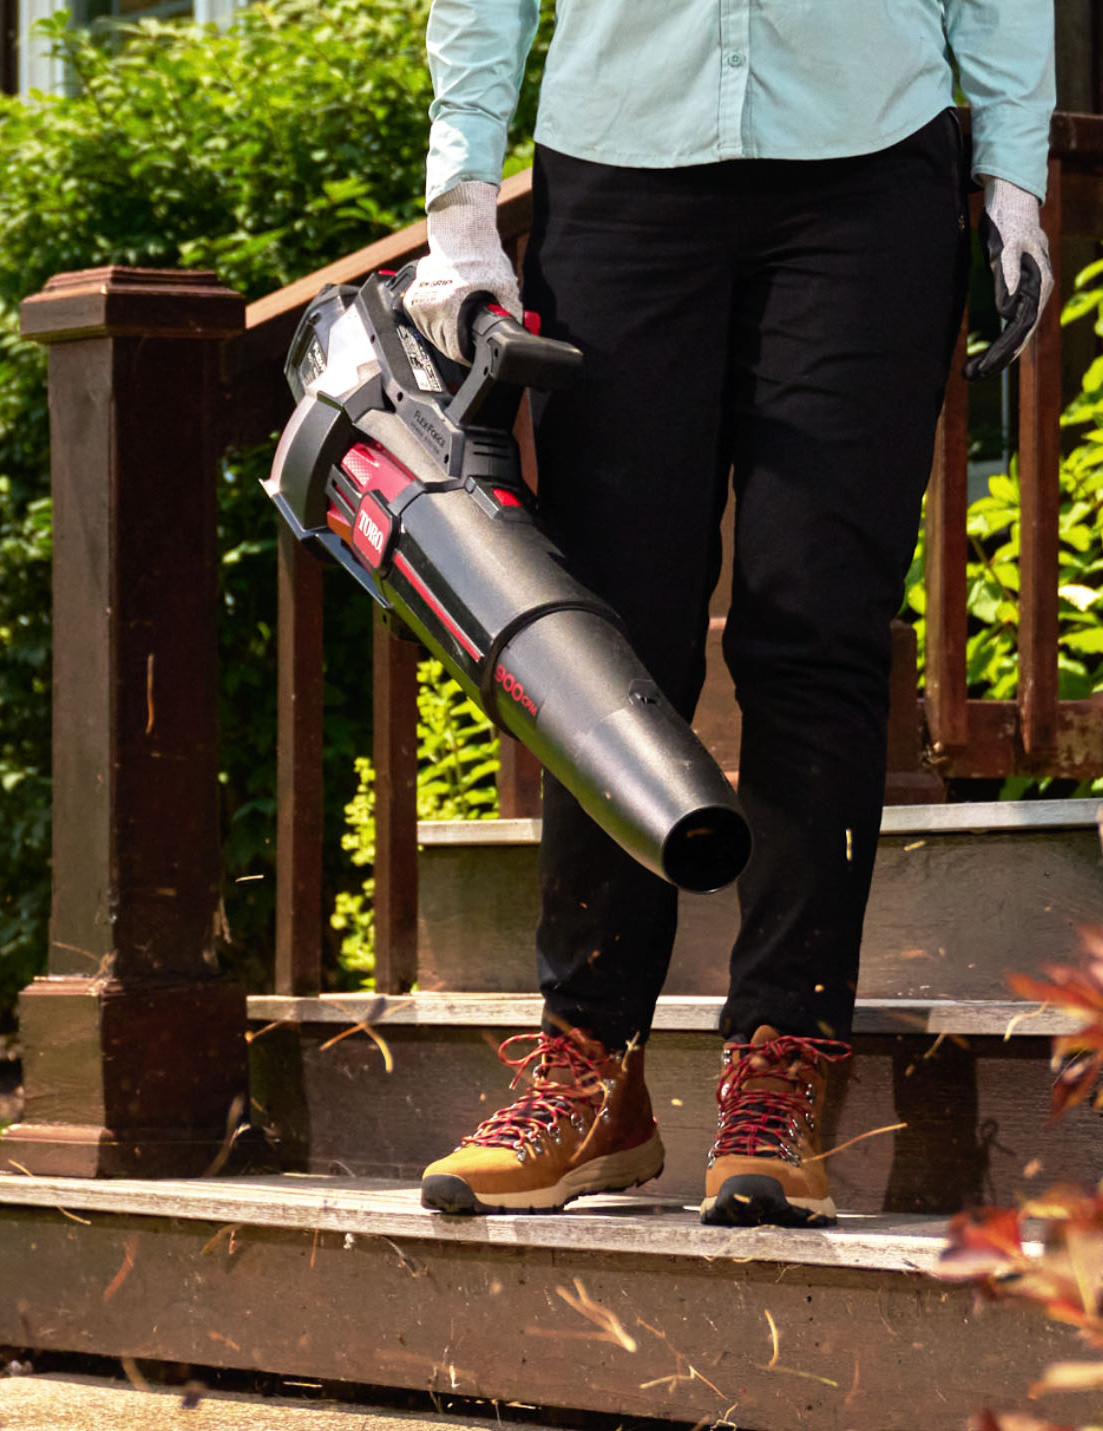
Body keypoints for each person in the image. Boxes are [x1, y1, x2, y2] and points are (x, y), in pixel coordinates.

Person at [405, 0, 1055, 1227]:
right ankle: (590, 1075)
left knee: (817, 623)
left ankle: (783, 1066)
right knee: (604, 647)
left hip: (869, 177)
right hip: (620, 172)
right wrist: (462, 206)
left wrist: (1014, 173)